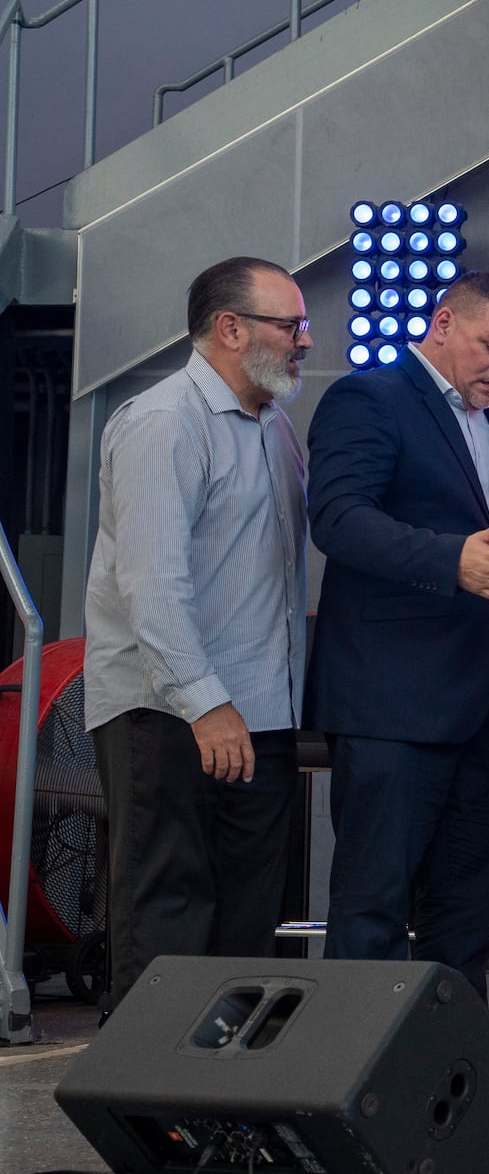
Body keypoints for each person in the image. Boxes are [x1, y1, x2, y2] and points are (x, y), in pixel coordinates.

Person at [307, 272, 489, 994]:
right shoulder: (368, 398)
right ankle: (353, 1090)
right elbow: (338, 519)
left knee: (468, 912)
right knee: (372, 907)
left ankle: (448, 1083)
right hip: (390, 704)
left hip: (481, 710)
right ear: (443, 322)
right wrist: (450, 561)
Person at [85, 257, 310, 1014]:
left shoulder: (275, 427)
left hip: (258, 718)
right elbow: (151, 583)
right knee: (168, 924)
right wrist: (205, 703)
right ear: (230, 328)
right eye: (291, 325)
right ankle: (155, 1122)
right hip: (171, 713)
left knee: (246, 933)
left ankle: (225, 1113)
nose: (304, 340)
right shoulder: (162, 421)